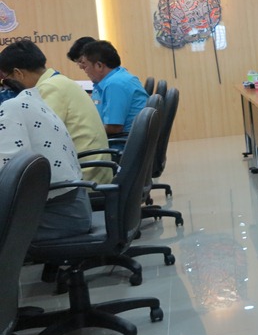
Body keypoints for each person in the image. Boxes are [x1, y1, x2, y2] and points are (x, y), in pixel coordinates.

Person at [0, 41, 112, 184]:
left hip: (83, 177)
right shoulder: (58, 81)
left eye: (7, 79)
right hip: (91, 168)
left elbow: (39, 138)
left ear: (18, 73)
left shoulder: (48, 89)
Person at [0, 88, 92, 241]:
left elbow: (8, 178)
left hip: (60, 216)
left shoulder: (12, 111)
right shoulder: (33, 103)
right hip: (74, 207)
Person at [79, 40, 148, 138]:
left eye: (86, 66)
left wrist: (83, 132)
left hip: (120, 143)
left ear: (99, 66)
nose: (84, 69)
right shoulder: (118, 76)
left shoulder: (115, 84)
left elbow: (113, 128)